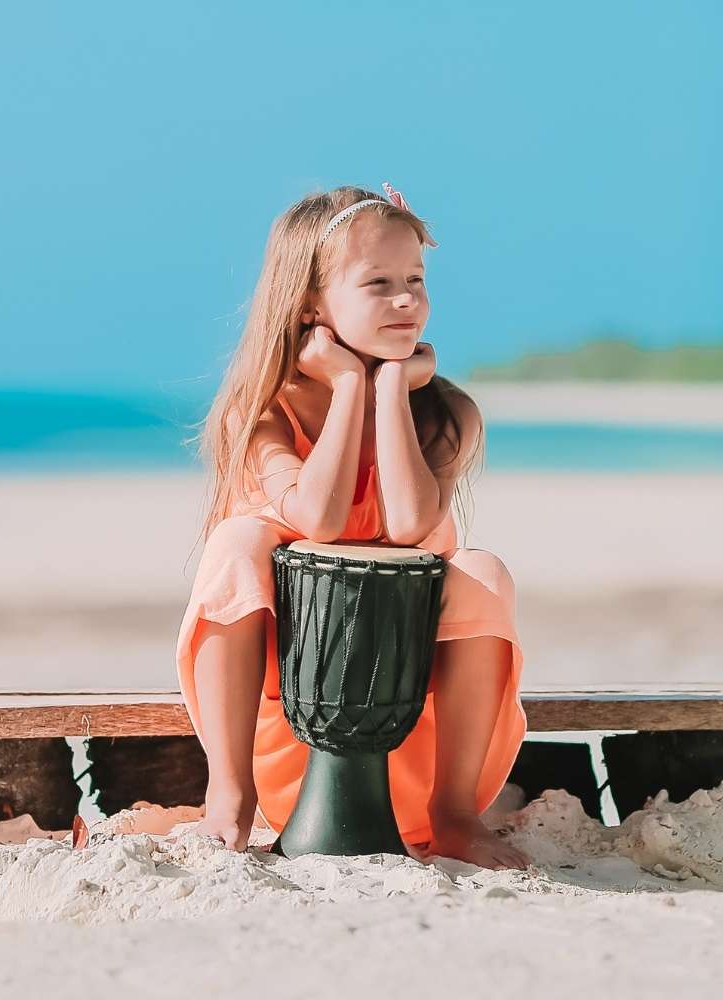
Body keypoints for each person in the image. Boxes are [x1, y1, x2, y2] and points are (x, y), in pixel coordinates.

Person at [175, 181, 529, 870]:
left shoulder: (444, 415)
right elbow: (320, 516)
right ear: (309, 303)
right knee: (238, 543)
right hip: (293, 742)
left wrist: (390, 387)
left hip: (416, 742)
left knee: (482, 570)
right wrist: (347, 389)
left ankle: (454, 816)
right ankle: (229, 797)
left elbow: (406, 525)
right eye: (378, 282)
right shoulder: (260, 414)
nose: (407, 300)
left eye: (415, 280)